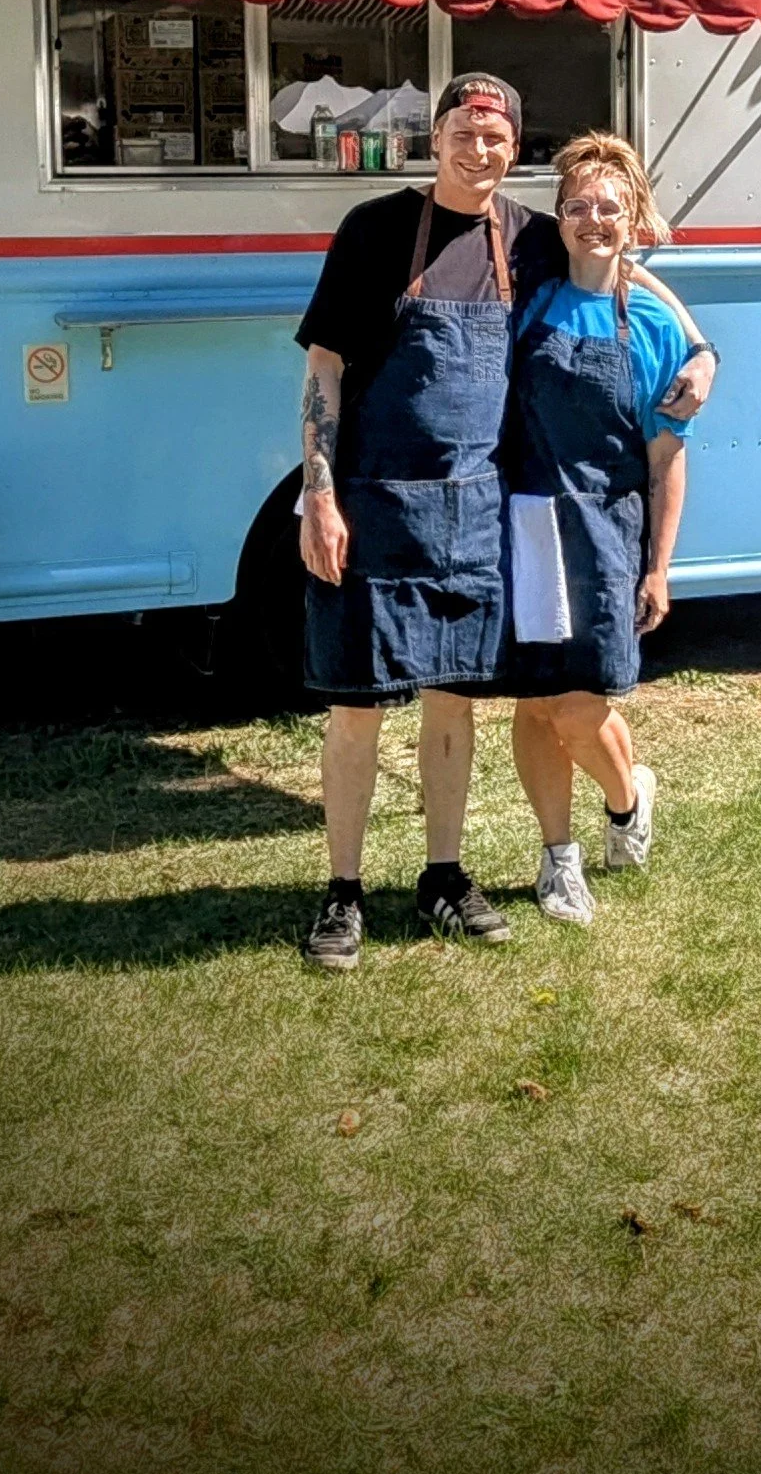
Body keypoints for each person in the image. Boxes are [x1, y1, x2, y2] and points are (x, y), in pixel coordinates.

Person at [295, 76, 715, 971]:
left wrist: (704, 351)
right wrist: (320, 494)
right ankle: (342, 893)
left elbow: (624, 265)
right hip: (372, 503)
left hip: (476, 514)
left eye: (494, 136)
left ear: (511, 147)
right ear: (433, 137)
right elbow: (325, 364)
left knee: (453, 708)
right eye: (462, 131)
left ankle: (442, 876)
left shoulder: (525, 236)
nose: (477, 149)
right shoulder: (373, 229)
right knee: (356, 713)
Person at [505, 132, 693, 928]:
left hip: (609, 531)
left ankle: (627, 799)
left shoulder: (651, 323)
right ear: (557, 217)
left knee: (580, 706)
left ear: (635, 219)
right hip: (528, 518)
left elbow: (666, 458)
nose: (592, 219)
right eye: (577, 206)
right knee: (533, 703)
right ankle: (558, 861)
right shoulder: (531, 296)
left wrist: (659, 567)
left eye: (609, 208)